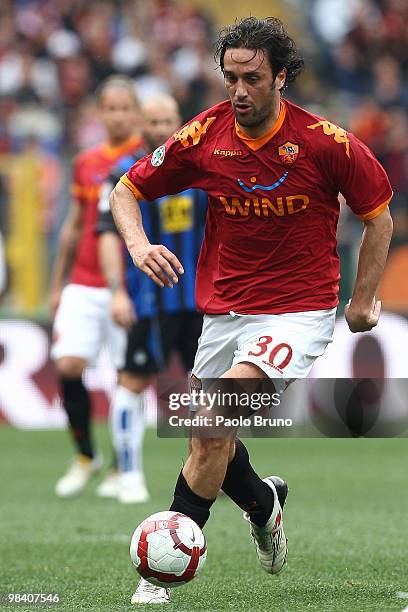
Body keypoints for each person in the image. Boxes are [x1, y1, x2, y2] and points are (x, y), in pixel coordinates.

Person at [109, 17, 393, 604]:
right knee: (205, 438)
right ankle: (263, 504)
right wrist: (138, 246)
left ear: (281, 77)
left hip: (298, 310)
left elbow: (378, 213)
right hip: (225, 310)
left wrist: (363, 297)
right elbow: (127, 191)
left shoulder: (326, 142)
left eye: (252, 78)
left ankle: (158, 570)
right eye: (230, 77)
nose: (239, 91)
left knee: (214, 415)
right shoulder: (204, 136)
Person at [97, 93, 207, 503]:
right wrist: (116, 292)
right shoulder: (123, 174)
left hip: (199, 300)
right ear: (141, 123)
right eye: (154, 122)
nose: (161, 130)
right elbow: (107, 234)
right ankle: (127, 473)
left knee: (211, 390)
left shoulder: (199, 169)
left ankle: (215, 471)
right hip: (148, 298)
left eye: (168, 122)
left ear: (179, 122)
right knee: (133, 380)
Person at [49, 75, 144, 498]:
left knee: (126, 378)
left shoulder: (147, 159)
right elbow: (74, 224)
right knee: (68, 366)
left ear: (136, 113)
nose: (118, 115)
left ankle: (124, 468)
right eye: (111, 107)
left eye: (126, 108)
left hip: (127, 283)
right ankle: (87, 455)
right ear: (101, 112)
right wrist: (57, 283)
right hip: (83, 281)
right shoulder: (86, 161)